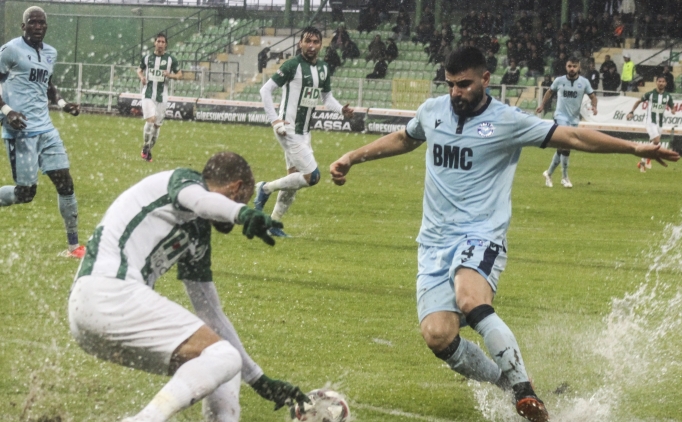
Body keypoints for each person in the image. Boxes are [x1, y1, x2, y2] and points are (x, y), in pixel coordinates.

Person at [329, 47, 679, 422]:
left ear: (485, 79)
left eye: (464, 84)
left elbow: (574, 137)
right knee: (437, 335)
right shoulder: (432, 111)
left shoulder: (508, 121)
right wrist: (351, 157)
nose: (456, 92)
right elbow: (405, 138)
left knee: (469, 298)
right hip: (433, 242)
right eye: (450, 84)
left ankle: (526, 393)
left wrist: (632, 147)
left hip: (481, 235)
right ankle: (509, 387)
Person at [69, 151, 310, 422]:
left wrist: (258, 379)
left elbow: (211, 314)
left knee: (222, 360)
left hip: (92, 315)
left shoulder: (198, 234)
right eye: (244, 199)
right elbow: (201, 201)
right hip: (108, 291)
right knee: (222, 355)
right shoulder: (186, 181)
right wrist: (241, 213)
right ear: (237, 188)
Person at [0, 6, 84, 258]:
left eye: (41, 23)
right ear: (23, 26)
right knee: (25, 194)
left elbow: (47, 84)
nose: (37, 26)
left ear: (46, 26)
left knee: (65, 184)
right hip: (21, 132)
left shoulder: (50, 53)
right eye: (32, 22)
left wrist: (63, 104)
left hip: (46, 130)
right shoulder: (10, 50)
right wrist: (8, 111)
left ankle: (74, 247)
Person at [257, 27, 354, 238]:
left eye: (315, 42)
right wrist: (274, 120)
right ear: (300, 43)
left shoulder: (323, 68)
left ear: (321, 44)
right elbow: (265, 90)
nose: (311, 46)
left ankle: (273, 224)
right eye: (307, 41)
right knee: (313, 176)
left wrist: (341, 110)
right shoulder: (292, 65)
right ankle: (265, 188)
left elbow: (327, 97)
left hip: (304, 131)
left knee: (293, 180)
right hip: (288, 129)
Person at [536, 56, 598, 188]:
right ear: (566, 67)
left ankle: (549, 173)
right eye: (570, 66)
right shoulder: (559, 80)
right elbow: (549, 92)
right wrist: (542, 105)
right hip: (560, 116)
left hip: (574, 119)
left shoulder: (584, 82)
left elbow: (593, 96)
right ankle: (564, 178)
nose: (572, 69)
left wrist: (594, 107)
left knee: (562, 147)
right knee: (566, 145)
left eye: (574, 66)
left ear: (579, 67)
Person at [137, 33, 182, 162]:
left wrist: (170, 75)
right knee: (150, 120)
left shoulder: (171, 59)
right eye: (158, 41)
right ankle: (145, 146)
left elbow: (179, 75)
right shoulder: (147, 58)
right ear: (155, 43)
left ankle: (148, 150)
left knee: (157, 126)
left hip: (162, 96)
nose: (160, 44)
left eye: (163, 42)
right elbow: (139, 70)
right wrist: (142, 77)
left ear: (166, 44)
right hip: (148, 94)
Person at [627, 75, 677, 172]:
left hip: (660, 123)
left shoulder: (667, 96)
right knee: (656, 141)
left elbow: (672, 106)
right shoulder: (650, 94)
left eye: (663, 81)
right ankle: (645, 158)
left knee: (653, 144)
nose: (661, 83)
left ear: (666, 83)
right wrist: (631, 112)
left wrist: (673, 110)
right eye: (659, 81)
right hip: (650, 121)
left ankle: (643, 162)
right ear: (656, 82)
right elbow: (638, 101)